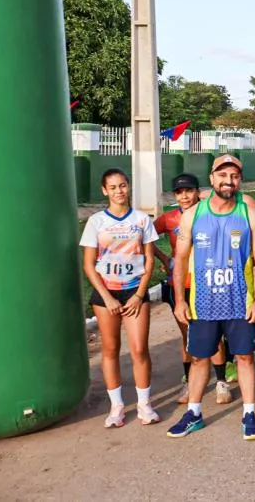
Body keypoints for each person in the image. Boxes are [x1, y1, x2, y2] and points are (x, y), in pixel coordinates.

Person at [167, 154, 255, 440]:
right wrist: (179, 300)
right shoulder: (193, 215)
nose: (228, 181)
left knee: (245, 357)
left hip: (241, 301)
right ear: (211, 179)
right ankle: (194, 413)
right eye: (222, 175)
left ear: (240, 180)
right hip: (204, 303)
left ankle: (249, 414)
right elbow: (180, 258)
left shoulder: (248, 212)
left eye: (234, 176)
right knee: (200, 358)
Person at [80, 168, 161, 428]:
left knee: (139, 349)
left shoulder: (141, 220)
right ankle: (116, 406)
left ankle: (144, 404)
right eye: (113, 187)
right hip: (107, 293)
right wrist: (107, 297)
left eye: (123, 185)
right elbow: (89, 265)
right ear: (105, 191)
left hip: (134, 290)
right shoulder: (96, 222)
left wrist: (139, 294)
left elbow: (149, 259)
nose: (119, 191)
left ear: (129, 187)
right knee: (111, 349)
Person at [155, 174, 231, 406]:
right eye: (179, 192)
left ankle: (221, 382)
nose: (184, 196)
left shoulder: (208, 214)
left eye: (189, 190)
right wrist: (165, 257)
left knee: (215, 334)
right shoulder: (169, 219)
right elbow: (146, 236)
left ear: (198, 191)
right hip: (181, 285)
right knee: (188, 337)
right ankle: (189, 382)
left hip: (207, 284)